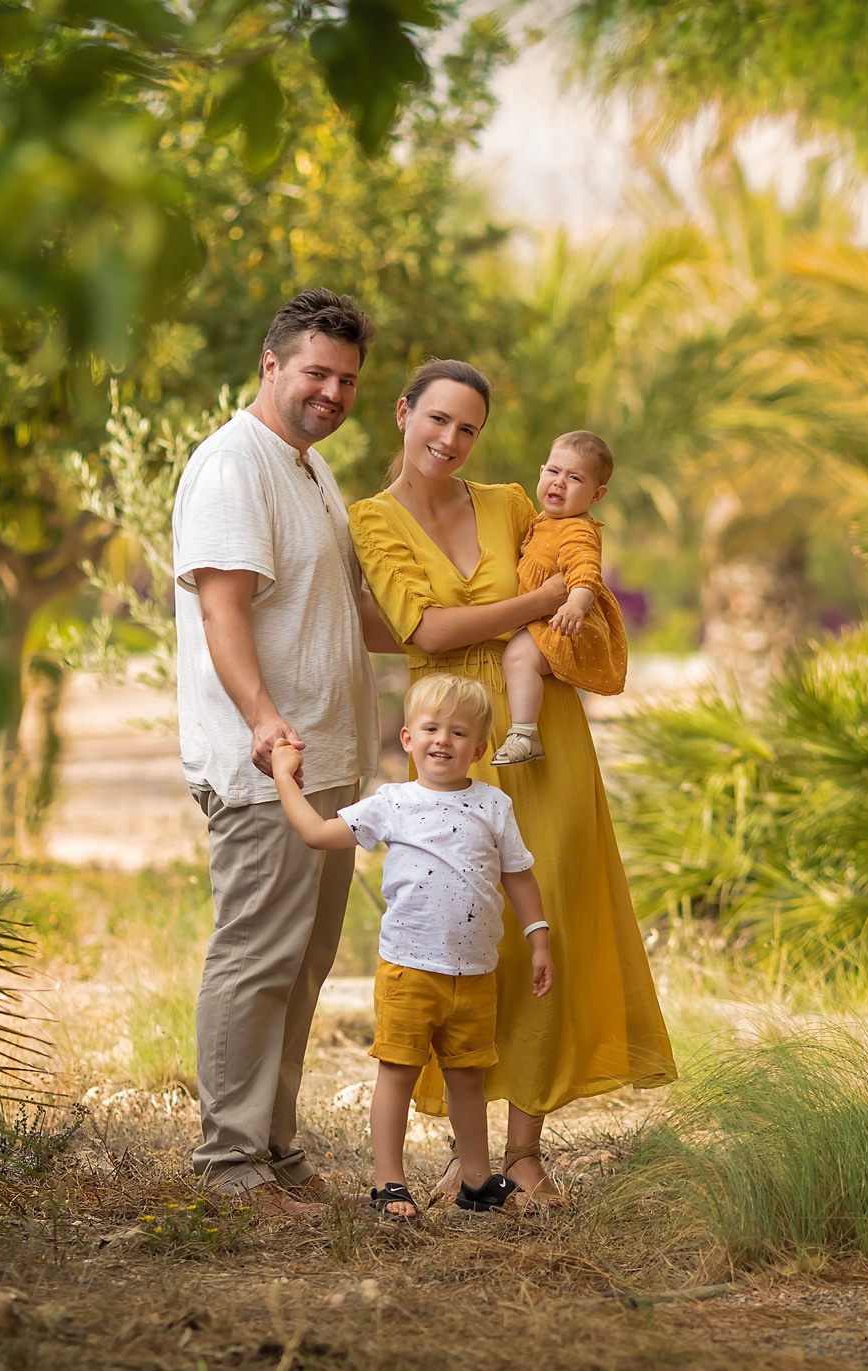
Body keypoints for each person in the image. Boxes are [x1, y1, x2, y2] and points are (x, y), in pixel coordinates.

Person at [346, 359, 676, 1208]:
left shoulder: (510, 503)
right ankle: (470, 1154)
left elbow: (572, 573)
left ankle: (522, 1154)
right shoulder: (372, 520)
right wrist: (528, 610)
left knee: (546, 923)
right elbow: (427, 625)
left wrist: (547, 609)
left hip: (544, 735)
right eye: (439, 420)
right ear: (403, 413)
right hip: (453, 743)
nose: (451, 441)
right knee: (467, 934)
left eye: (469, 429)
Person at [170, 288, 397, 1217]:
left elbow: (349, 615)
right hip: (270, 766)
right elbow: (224, 610)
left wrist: (478, 636)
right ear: (270, 366)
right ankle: (228, 1166)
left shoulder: (308, 468)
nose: (332, 391)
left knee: (304, 964)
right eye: (316, 372)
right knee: (256, 958)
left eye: (346, 379)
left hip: (330, 765)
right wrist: (265, 720)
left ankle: (273, 1144)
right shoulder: (234, 466)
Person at [268, 674, 553, 1221]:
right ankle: (389, 1185)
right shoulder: (392, 803)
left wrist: (537, 935)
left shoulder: (493, 805)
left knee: (468, 1078)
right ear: (406, 738)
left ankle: (475, 1181)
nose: (442, 740)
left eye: (459, 731)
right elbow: (317, 834)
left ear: (480, 747)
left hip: (475, 974)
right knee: (397, 1072)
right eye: (430, 728)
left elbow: (518, 874)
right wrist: (286, 779)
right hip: (409, 970)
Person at [490, 430, 628, 767]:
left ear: (596, 494)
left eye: (574, 477)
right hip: (548, 618)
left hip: (564, 623)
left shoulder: (576, 530)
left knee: (518, 658)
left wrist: (575, 605)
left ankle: (524, 735)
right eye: (553, 472)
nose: (559, 483)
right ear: (541, 473)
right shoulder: (543, 522)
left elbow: (586, 573)